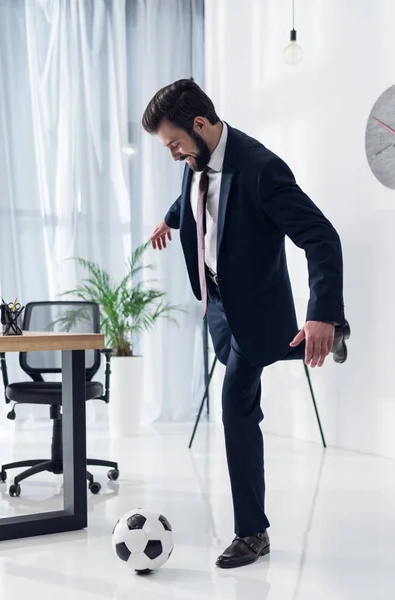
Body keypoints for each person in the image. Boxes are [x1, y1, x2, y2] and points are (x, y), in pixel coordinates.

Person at [142, 79, 350, 569]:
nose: (172, 154)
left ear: (199, 124)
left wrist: (321, 311)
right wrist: (170, 221)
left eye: (173, 143)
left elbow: (322, 238)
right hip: (218, 304)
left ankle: (252, 532)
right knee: (261, 348)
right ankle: (333, 337)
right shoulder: (194, 160)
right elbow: (192, 195)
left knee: (235, 405)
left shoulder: (261, 169)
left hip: (256, 303)